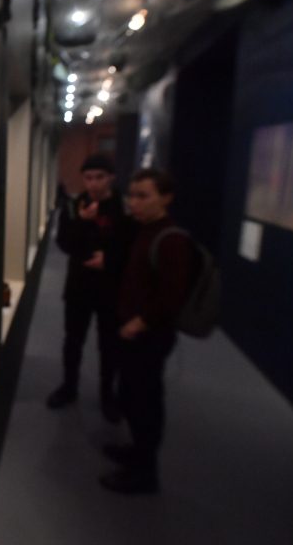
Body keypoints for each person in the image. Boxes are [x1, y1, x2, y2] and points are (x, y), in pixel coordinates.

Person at [100, 168, 192, 494]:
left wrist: (139, 322)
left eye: (143, 196)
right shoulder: (146, 230)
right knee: (132, 396)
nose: (134, 203)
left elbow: (173, 295)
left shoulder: (172, 239)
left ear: (166, 198)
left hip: (148, 337)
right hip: (134, 333)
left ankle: (144, 472)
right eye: (132, 195)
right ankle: (137, 452)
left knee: (145, 403)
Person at [46, 154, 135, 423]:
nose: (93, 183)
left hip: (112, 286)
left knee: (109, 344)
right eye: (88, 178)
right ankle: (69, 387)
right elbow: (63, 244)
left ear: (111, 178)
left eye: (99, 177)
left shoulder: (125, 207)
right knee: (73, 340)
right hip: (79, 285)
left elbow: (134, 247)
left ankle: (107, 396)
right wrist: (82, 221)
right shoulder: (74, 206)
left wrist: (110, 260)